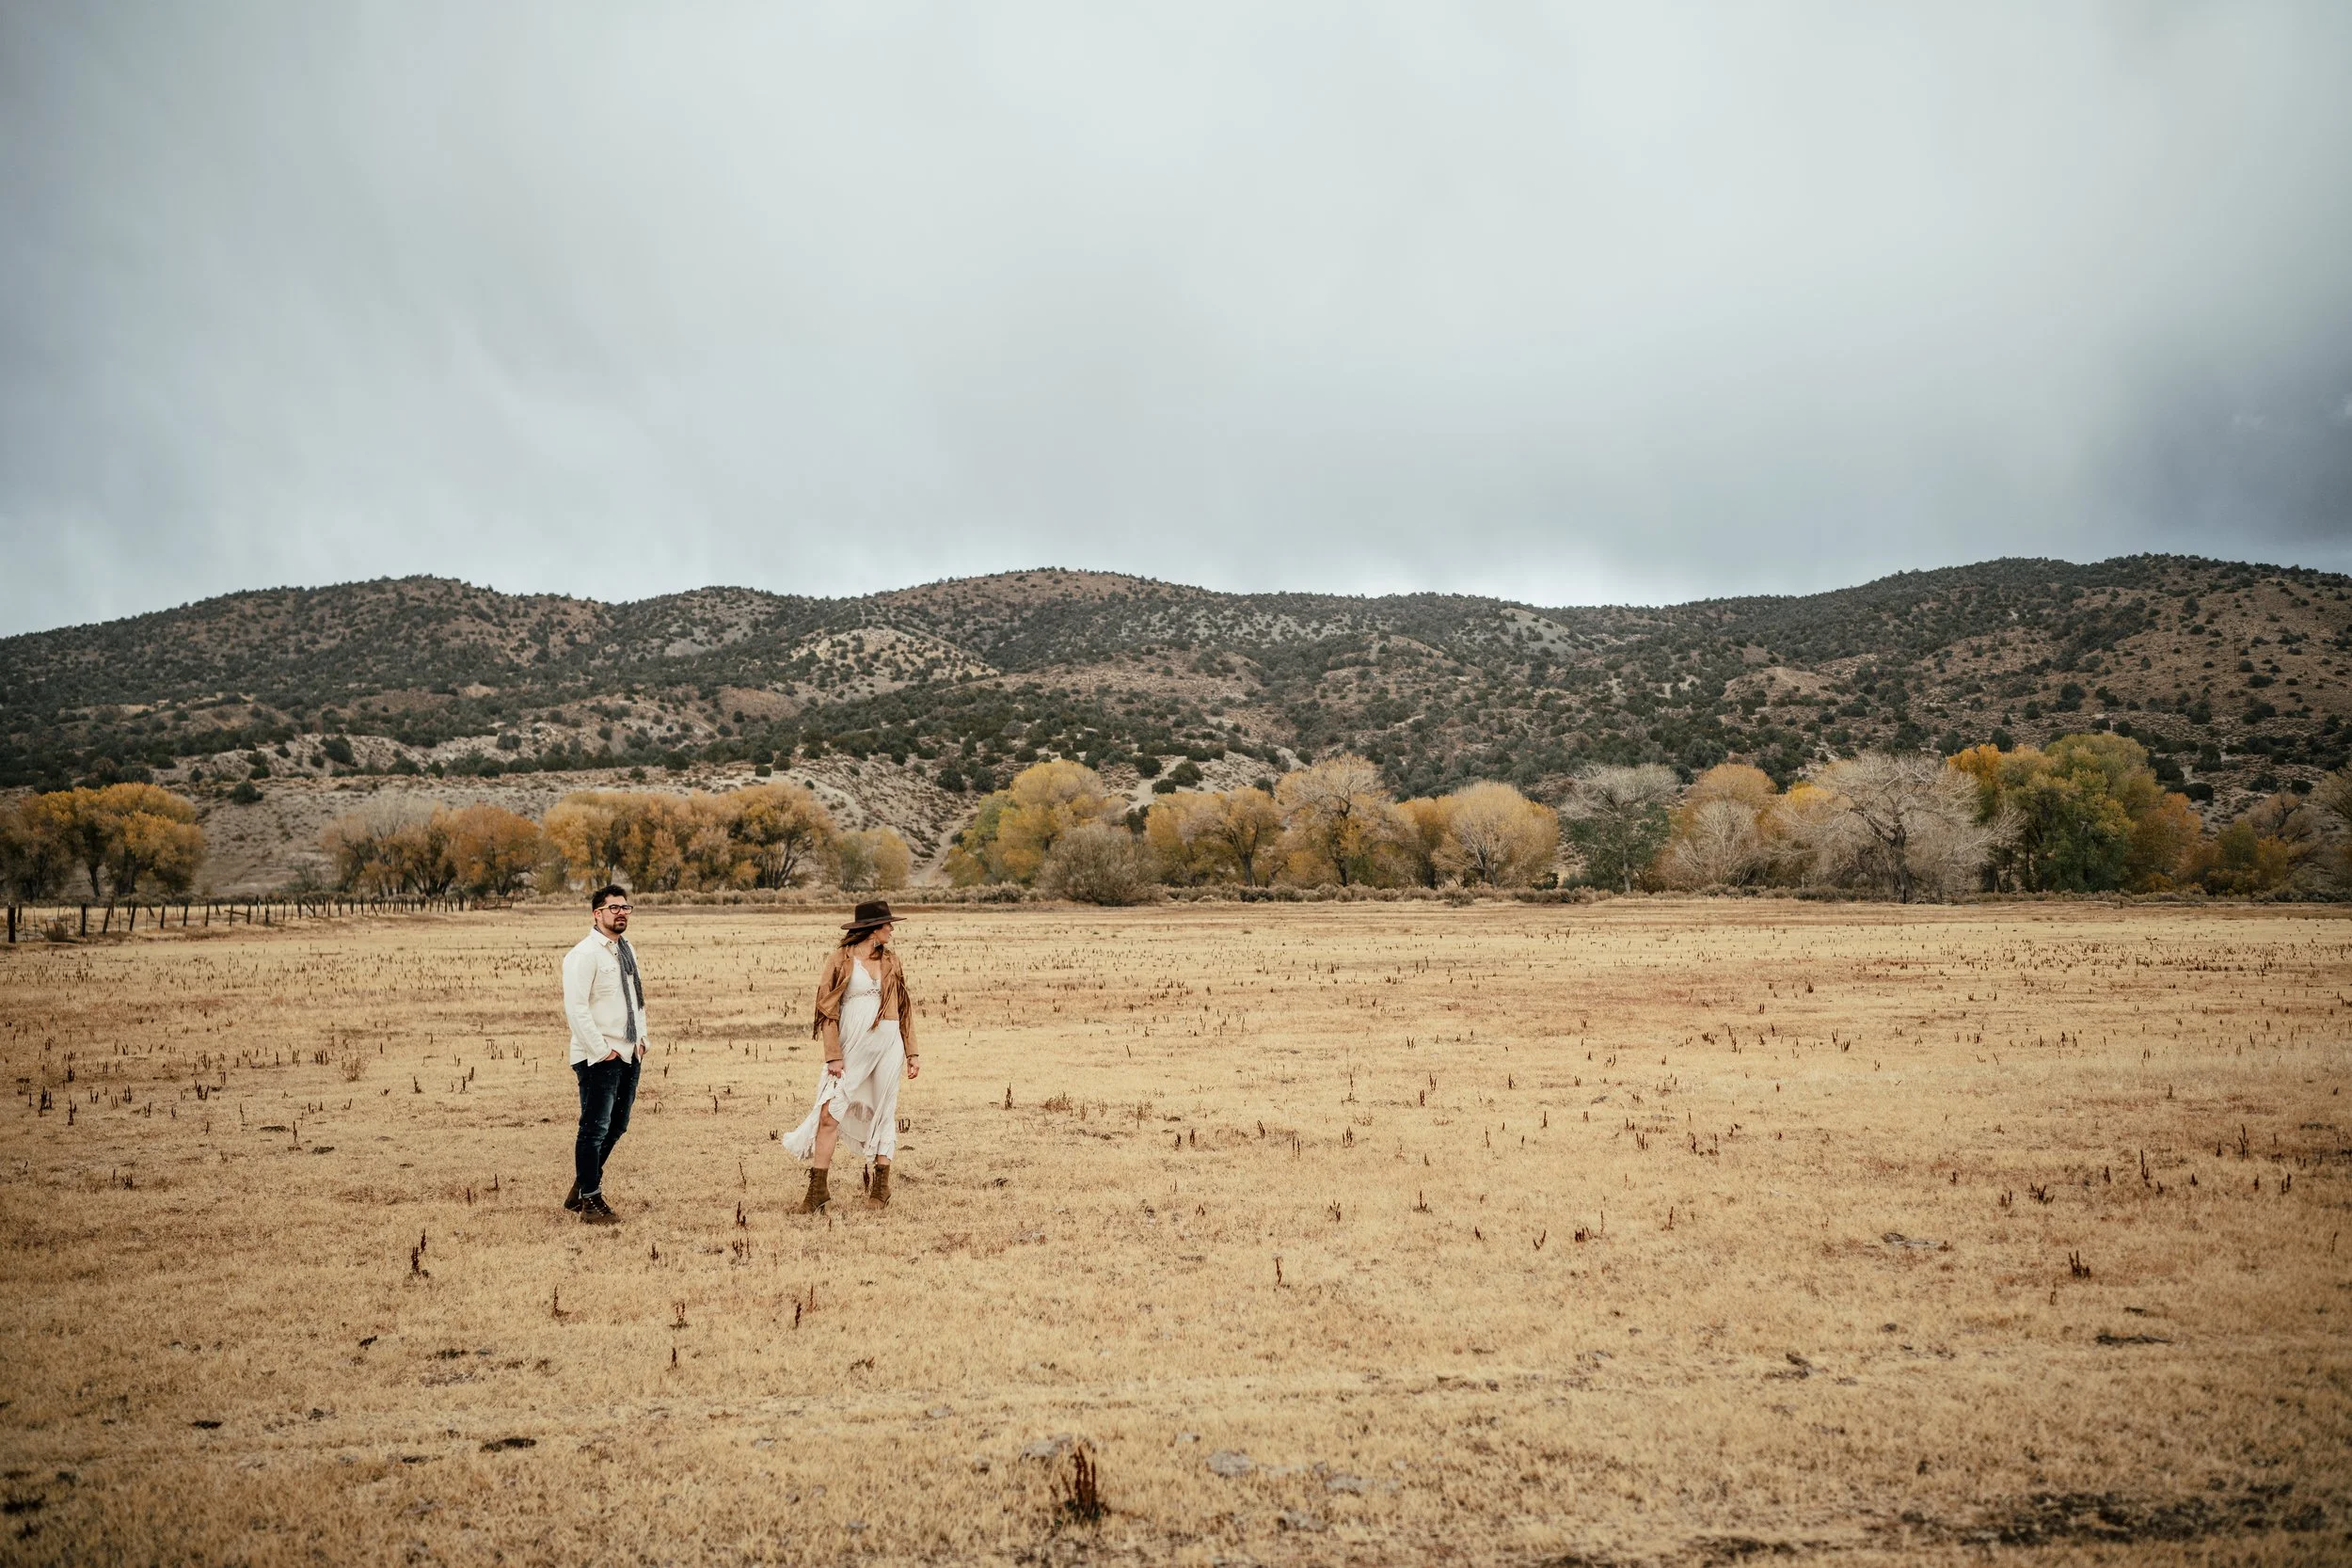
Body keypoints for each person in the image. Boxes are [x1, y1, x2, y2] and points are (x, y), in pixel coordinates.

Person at [783, 899, 919, 1211]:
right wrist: (833, 1054)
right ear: (873, 929)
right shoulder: (840, 960)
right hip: (851, 1044)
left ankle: (880, 1189)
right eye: (888, 925)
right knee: (830, 1112)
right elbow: (826, 1010)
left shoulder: (892, 961)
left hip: (888, 1044)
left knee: (884, 1111)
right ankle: (817, 1191)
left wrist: (912, 1052)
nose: (892, 929)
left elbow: (905, 1009)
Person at [562, 884, 650, 1226]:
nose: (621, 913)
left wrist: (642, 1039)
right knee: (594, 1128)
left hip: (629, 1052)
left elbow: (635, 999)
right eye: (614, 908)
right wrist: (601, 1050)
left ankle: (584, 1185)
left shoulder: (627, 951)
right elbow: (576, 1009)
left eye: (625, 907)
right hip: (598, 1055)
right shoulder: (584, 955)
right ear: (596, 914)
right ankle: (591, 1200)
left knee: (618, 1125)